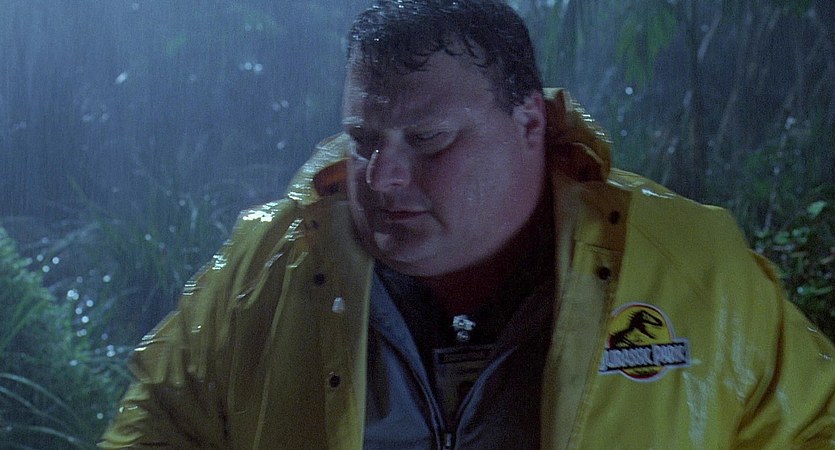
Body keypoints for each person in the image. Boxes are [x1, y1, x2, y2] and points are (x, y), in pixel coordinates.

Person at [99, 1, 835, 448]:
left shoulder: (689, 265)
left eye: (429, 141)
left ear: (529, 124)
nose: (382, 176)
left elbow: (813, 426)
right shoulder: (265, 265)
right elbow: (159, 427)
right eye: (363, 140)